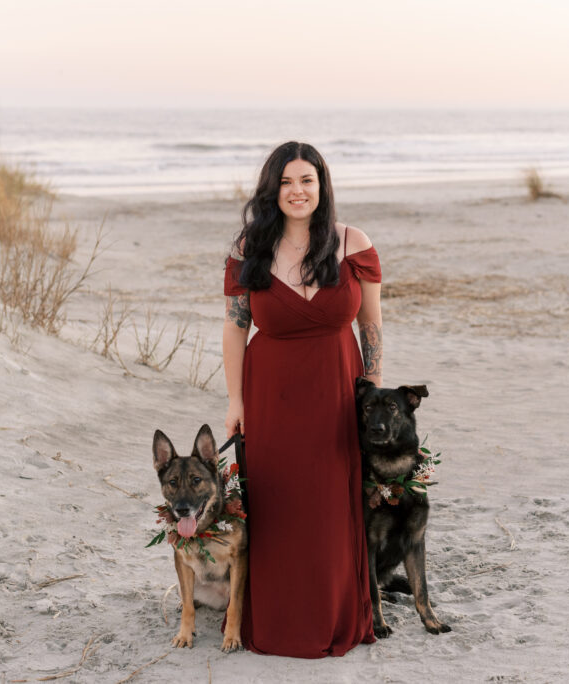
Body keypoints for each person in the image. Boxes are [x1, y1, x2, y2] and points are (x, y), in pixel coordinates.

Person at [221, 141, 382, 657]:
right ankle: (278, 621)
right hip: (271, 396)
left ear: (321, 185)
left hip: (338, 391)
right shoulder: (250, 249)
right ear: (273, 190)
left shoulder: (353, 244)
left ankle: (336, 614)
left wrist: (373, 397)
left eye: (306, 181)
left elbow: (371, 324)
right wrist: (234, 400)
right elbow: (234, 328)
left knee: (333, 508)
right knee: (278, 505)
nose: (297, 191)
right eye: (286, 182)